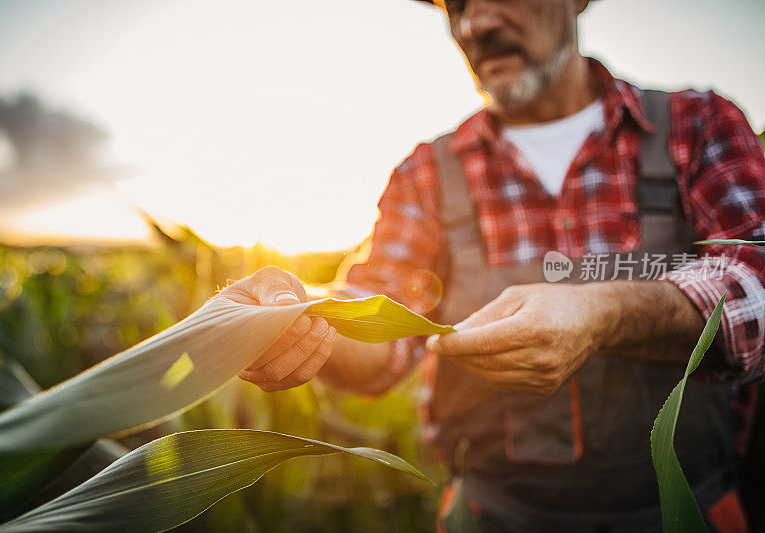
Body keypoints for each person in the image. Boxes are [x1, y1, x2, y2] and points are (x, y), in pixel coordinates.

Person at [223, 0, 765, 530]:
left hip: (688, 510)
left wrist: (606, 313)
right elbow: (378, 320)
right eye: (454, 5)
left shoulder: (695, 126)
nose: (474, 23)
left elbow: (755, 275)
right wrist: (289, 313)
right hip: (490, 517)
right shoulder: (427, 173)